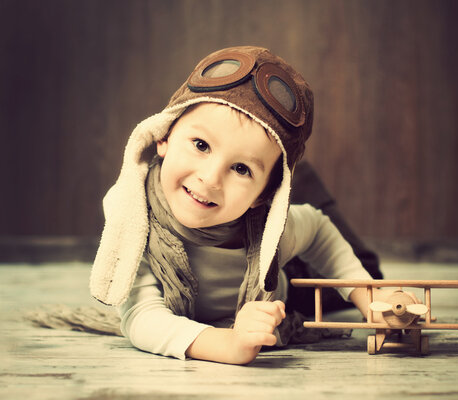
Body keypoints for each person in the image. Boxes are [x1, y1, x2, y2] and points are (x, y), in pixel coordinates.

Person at [89, 46, 388, 365]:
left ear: (264, 196)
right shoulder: (135, 221)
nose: (210, 178)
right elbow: (141, 318)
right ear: (162, 137)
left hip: (275, 278)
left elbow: (318, 230)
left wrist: (371, 299)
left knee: (364, 270)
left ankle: (299, 180)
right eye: (201, 145)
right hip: (257, 301)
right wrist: (227, 343)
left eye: (241, 168)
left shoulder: (272, 230)